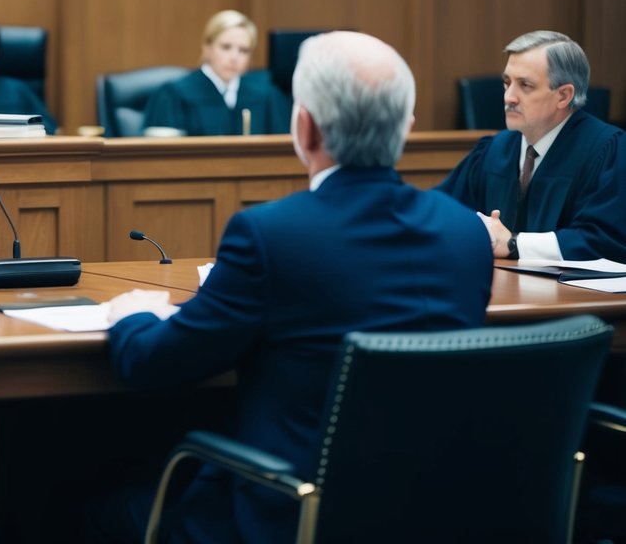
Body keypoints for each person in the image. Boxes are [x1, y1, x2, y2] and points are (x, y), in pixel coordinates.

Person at [94, 31, 493, 544]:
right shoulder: (466, 233)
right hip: (435, 509)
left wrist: (132, 314)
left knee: (88, 505)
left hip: (287, 510)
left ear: (303, 127)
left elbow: (156, 364)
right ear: (406, 129)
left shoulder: (268, 234)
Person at [436, 30, 626, 263]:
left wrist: (514, 244)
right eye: (507, 83)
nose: (509, 97)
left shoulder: (607, 151)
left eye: (525, 85)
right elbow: (441, 210)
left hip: (570, 297)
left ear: (564, 96)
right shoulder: (493, 151)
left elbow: (604, 242)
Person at [142, 9, 289, 136]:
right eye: (226, 47)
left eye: (244, 50)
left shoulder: (266, 95)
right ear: (207, 47)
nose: (234, 58)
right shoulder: (173, 95)